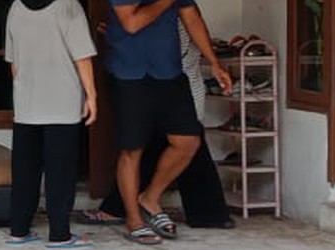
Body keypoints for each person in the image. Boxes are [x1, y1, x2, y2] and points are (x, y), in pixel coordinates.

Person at [103, 0, 230, 246]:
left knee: (188, 140)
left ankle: (150, 197)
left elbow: (191, 19)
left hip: (169, 73)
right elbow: (130, 23)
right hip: (130, 75)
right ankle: (132, 219)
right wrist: (165, 0)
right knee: (133, 149)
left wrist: (214, 62)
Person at [90, 23, 235, 229]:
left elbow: (162, 53)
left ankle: (207, 213)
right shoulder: (171, 17)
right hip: (168, 92)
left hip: (176, 91)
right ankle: (207, 213)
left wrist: (121, 32)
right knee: (158, 149)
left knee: (180, 148)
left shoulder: (174, 20)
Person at [3, 0, 97, 249]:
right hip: (61, 103)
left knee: (25, 172)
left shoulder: (15, 8)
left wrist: (26, 90)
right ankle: (60, 234)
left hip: (27, 105)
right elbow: (83, 57)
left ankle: (19, 229)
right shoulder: (68, 6)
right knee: (60, 172)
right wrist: (92, 96)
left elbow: (13, 65)